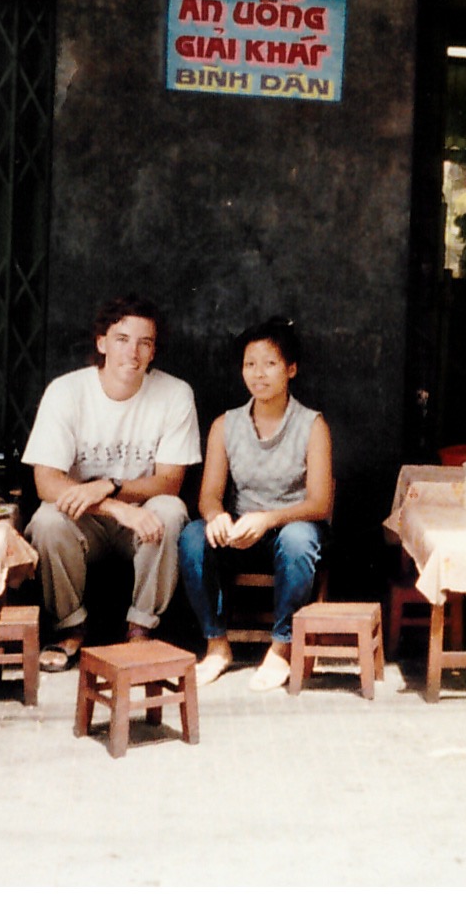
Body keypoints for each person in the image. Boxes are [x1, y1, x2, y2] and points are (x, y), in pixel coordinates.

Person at [21, 294, 200, 671]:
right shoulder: (66, 391)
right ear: (101, 342)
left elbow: (170, 480)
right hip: (84, 521)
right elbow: (46, 482)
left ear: (153, 352)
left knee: (171, 511)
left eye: (144, 343)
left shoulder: (174, 393)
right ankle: (70, 629)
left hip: (141, 522)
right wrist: (112, 505)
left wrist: (113, 486)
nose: (132, 352)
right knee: (47, 520)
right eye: (122, 339)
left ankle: (140, 630)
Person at [180, 317, 333, 690]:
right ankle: (217, 646)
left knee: (297, 539)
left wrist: (268, 519)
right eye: (250, 364)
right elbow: (210, 496)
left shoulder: (312, 425)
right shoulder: (225, 425)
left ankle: (281, 649)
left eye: (270, 363)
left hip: (293, 534)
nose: (258, 373)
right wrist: (216, 517)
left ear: (291, 369)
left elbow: (319, 503)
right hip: (241, 535)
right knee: (192, 536)